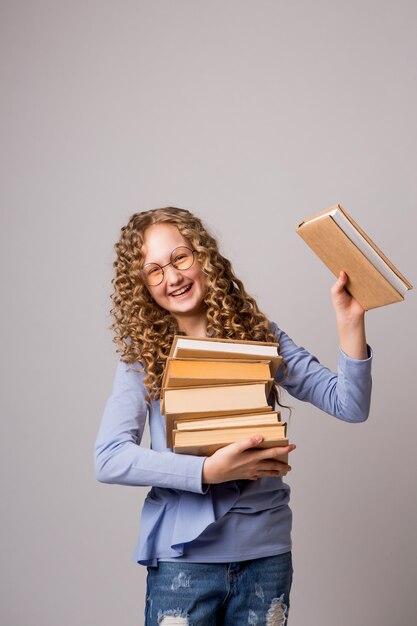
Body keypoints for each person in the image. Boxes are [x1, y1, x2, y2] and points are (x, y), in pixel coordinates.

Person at [94, 207, 372, 626]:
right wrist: (207, 470)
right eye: (153, 271)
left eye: (180, 258)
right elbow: (109, 458)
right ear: (142, 287)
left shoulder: (263, 335)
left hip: (266, 558)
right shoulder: (142, 357)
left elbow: (349, 404)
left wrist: (350, 321)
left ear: (204, 256)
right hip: (183, 563)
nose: (172, 277)